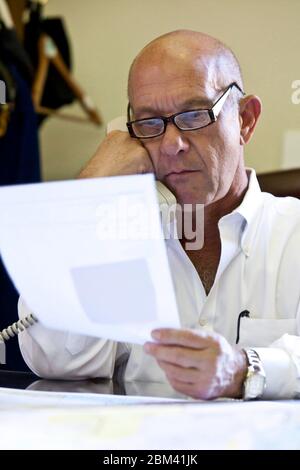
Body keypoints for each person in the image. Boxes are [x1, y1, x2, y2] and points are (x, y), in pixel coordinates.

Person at [18, 30, 300, 400]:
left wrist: (245, 369)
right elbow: (55, 361)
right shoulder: (117, 238)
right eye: (150, 123)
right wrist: (89, 191)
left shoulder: (292, 233)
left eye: (195, 115)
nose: (172, 145)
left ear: (245, 120)